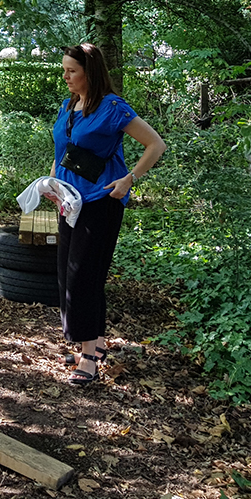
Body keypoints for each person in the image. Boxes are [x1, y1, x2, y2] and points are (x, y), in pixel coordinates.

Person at [49, 43, 166, 386]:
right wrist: (53, 186)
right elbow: (60, 151)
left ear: (90, 72)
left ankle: (88, 359)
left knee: (84, 277)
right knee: (66, 274)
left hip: (100, 201)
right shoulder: (69, 106)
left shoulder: (113, 108)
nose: (66, 77)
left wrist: (130, 179)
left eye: (72, 71)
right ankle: (95, 343)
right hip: (69, 202)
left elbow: (155, 144)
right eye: (64, 70)